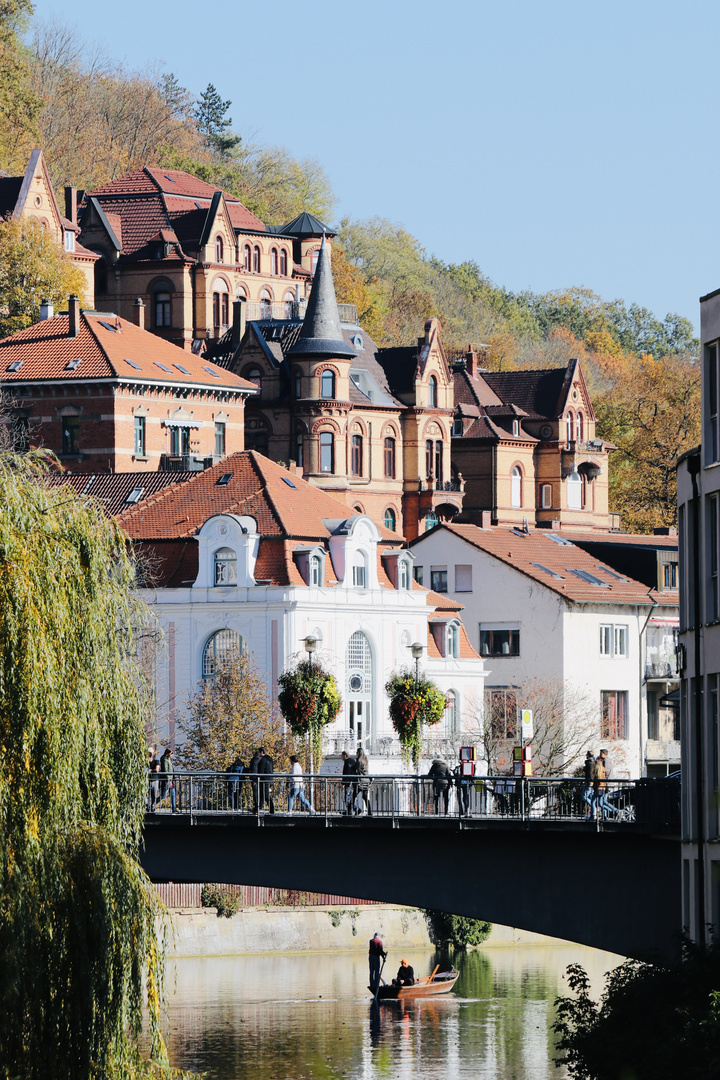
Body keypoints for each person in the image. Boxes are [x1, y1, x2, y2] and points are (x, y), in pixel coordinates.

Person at [590, 749, 616, 820]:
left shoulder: (605, 762)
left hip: (605, 784)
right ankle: (605, 816)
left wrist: (605, 783)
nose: (600, 755)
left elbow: (605, 773)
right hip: (604, 785)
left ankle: (615, 811)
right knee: (602, 802)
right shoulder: (606, 761)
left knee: (602, 802)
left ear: (605, 754)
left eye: (601, 754)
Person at [256, 747, 275, 814]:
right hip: (269, 779)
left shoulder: (263, 760)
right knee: (263, 794)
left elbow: (261, 770)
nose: (258, 754)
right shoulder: (269, 759)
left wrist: (258, 777)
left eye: (258, 752)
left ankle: (271, 809)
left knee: (265, 794)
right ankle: (259, 808)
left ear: (261, 752)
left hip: (264, 779)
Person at [356, 745, 372, 816]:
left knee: (353, 795)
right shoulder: (365, 760)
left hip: (361, 781)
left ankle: (354, 810)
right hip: (366, 780)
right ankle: (369, 812)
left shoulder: (359, 761)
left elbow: (358, 770)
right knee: (365, 796)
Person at [341, 750, 359, 815]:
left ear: (345, 756)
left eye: (341, 756)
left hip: (348, 782)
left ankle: (353, 809)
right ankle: (353, 809)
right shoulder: (352, 761)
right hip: (354, 781)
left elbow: (346, 773)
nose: (341, 757)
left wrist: (343, 783)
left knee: (347, 797)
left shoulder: (347, 762)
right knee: (349, 797)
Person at [160, 746, 176, 813]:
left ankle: (174, 809)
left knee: (173, 794)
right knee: (163, 795)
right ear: (168, 754)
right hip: (167, 780)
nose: (172, 755)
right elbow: (166, 770)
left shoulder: (169, 759)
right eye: (171, 754)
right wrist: (168, 780)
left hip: (171, 779)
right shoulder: (164, 759)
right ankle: (152, 804)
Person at [248, 748, 261, 813]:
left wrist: (254, 778)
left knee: (256, 794)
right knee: (259, 793)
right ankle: (258, 807)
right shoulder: (259, 760)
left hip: (255, 779)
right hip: (259, 779)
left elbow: (253, 770)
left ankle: (256, 808)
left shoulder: (254, 761)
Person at [582, 751, 594, 817]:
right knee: (590, 797)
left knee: (585, 796)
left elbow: (590, 774)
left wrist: (589, 783)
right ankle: (592, 812)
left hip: (589, 783)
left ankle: (593, 807)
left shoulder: (590, 763)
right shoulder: (592, 762)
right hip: (590, 782)